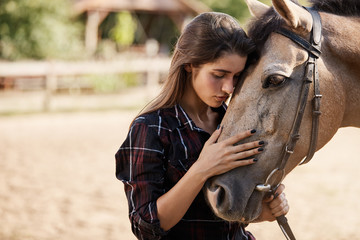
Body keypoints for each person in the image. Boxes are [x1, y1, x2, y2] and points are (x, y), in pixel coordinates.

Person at [115, 12, 289, 240]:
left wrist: (259, 212)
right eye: (219, 74)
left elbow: (225, 208)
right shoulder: (151, 128)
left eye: (237, 77)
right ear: (189, 65)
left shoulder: (234, 123)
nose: (229, 88)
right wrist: (201, 169)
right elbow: (146, 227)